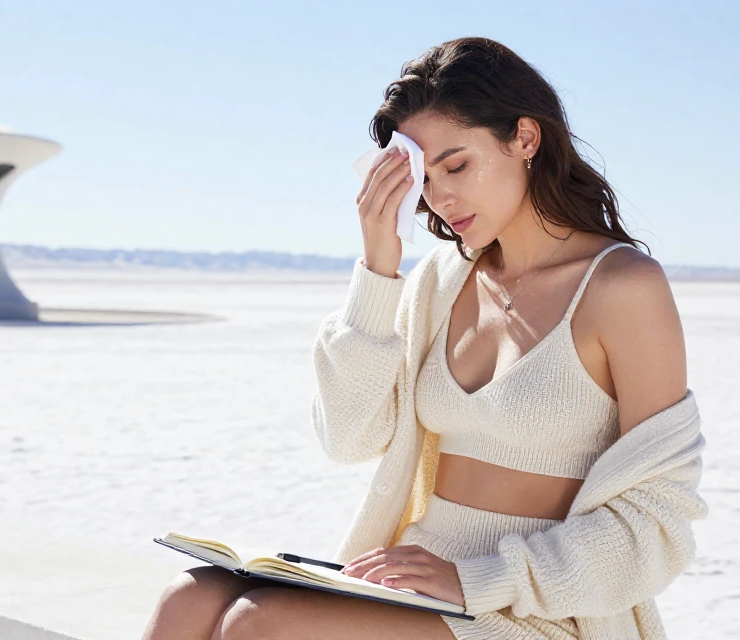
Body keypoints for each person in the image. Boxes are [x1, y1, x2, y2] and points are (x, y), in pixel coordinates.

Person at [141, 36, 706, 640]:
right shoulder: (444, 278)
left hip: (539, 609)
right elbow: (349, 436)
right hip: (411, 580)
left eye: (457, 165)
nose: (440, 198)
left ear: (526, 138)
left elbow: (657, 520)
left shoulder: (623, 288)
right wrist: (379, 273)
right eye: (423, 178)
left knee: (260, 624)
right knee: (191, 597)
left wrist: (476, 578)